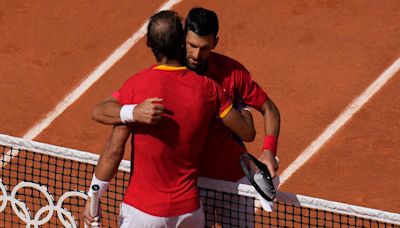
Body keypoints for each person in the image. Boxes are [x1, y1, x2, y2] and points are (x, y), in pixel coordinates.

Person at [83, 10, 255, 228]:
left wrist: (93, 197)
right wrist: (242, 104)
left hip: (143, 213)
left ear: (148, 44)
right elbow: (247, 133)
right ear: (182, 42)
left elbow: (111, 145)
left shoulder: (137, 87)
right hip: (189, 212)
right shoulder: (209, 89)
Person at [92, 7, 280, 182]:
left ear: (215, 42)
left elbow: (269, 109)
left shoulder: (232, 72)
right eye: (192, 45)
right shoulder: (163, 75)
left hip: (232, 176)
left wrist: (269, 151)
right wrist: (134, 113)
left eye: (204, 47)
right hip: (191, 182)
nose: (196, 55)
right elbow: (101, 110)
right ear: (183, 39)